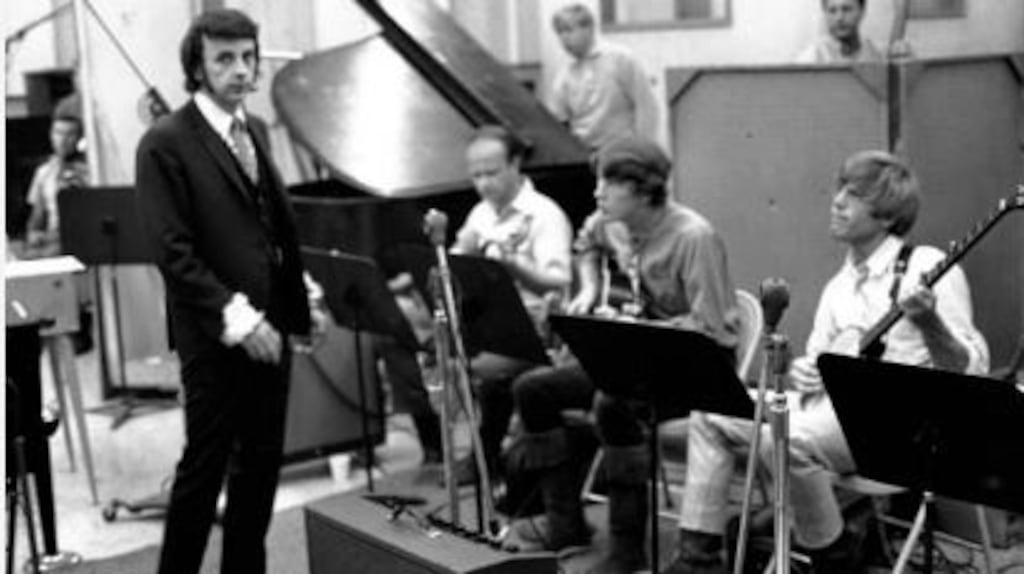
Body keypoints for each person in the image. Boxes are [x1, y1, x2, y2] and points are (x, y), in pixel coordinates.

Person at [666, 150, 989, 574]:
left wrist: (930, 323)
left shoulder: (926, 268)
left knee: (790, 441)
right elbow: (816, 362)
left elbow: (969, 373)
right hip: (827, 416)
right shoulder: (839, 286)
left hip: (896, 429)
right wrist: (805, 371)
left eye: (852, 196)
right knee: (711, 413)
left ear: (887, 217)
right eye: (840, 191)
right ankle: (698, 559)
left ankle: (833, 561)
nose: (836, 202)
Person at [135, 9, 326, 574]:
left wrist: (301, 296)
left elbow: (268, 229)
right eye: (224, 58)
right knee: (204, 469)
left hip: (273, 330)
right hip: (216, 334)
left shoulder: (255, 129)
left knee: (261, 469)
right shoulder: (164, 143)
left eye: (249, 57)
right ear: (197, 65)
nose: (241, 70)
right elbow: (174, 254)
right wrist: (239, 321)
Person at [567, 136, 741, 573]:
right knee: (536, 388)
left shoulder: (693, 237)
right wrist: (589, 287)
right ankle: (563, 524)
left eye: (609, 183)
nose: (597, 192)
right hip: (638, 357)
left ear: (644, 191)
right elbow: (585, 244)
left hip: (696, 369)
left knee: (613, 405)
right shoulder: (611, 223)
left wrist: (641, 332)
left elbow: (712, 331)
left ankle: (626, 550)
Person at [443, 125, 574, 485]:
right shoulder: (479, 214)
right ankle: (480, 455)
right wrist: (457, 257)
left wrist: (513, 266)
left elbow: (559, 283)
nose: (484, 184)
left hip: (533, 332)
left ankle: (489, 459)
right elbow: (451, 274)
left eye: (492, 172)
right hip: (487, 325)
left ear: (516, 164)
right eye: (476, 175)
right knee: (435, 352)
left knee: (478, 371)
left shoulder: (544, 215)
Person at [547, 3, 659, 152]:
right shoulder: (564, 76)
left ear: (589, 29)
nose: (564, 39)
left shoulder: (620, 59)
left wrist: (643, 148)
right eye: (559, 33)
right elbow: (559, 119)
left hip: (621, 149)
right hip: (585, 152)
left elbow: (645, 105)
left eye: (568, 30)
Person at [24, 112, 88, 257]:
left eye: (70, 134)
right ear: (51, 135)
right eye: (58, 133)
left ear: (79, 139)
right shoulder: (44, 172)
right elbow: (36, 216)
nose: (63, 140)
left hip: (83, 235)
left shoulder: (89, 170)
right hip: (53, 238)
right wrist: (33, 234)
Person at [796, 0, 883, 64]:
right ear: (825, 14)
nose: (839, 18)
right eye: (832, 11)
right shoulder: (812, 58)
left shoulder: (874, 55)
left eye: (846, 9)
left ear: (862, 11)